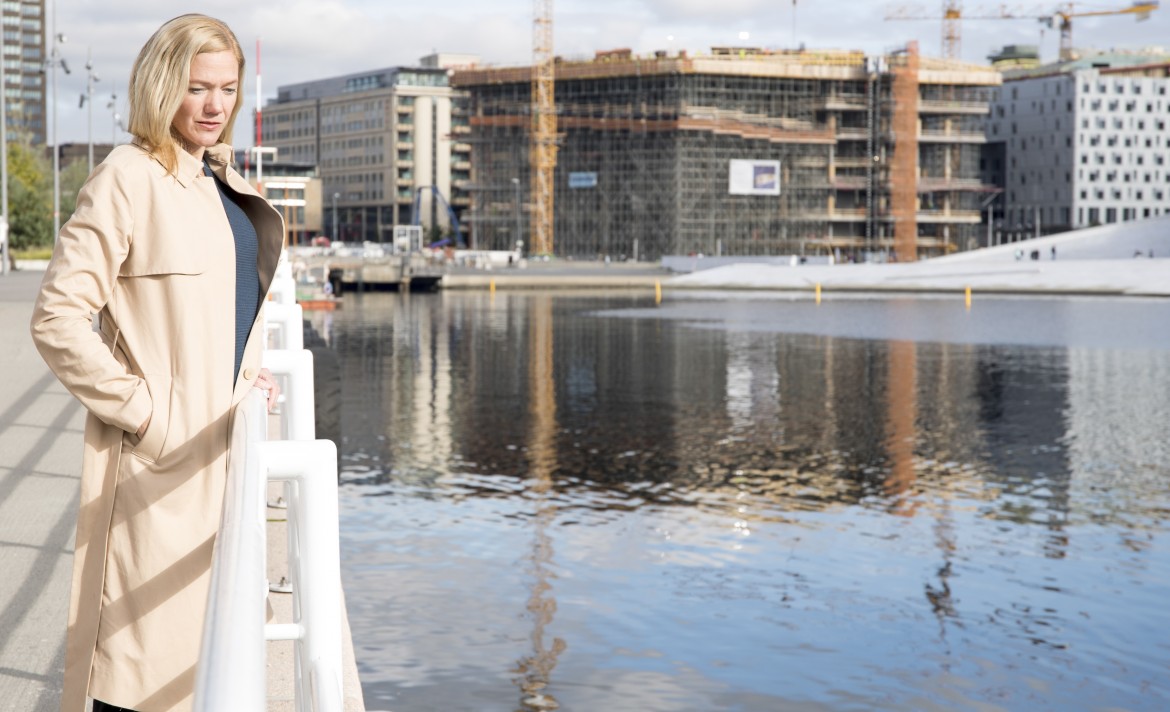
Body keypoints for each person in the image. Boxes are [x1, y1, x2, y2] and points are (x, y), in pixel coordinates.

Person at [30, 15, 283, 712]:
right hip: (161, 476)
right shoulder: (128, 177)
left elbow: (219, 309)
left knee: (212, 668)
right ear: (161, 85)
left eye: (227, 88)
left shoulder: (217, 179)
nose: (213, 106)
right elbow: (56, 316)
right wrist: (148, 413)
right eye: (197, 87)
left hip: (225, 461)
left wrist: (241, 376)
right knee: (140, 677)